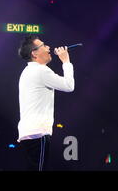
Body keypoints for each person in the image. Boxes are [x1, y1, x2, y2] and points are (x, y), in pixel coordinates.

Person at [17, 35, 75, 171]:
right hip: (38, 133)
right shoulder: (40, 70)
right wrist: (66, 61)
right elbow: (69, 86)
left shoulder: (27, 71)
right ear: (34, 53)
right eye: (43, 45)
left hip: (28, 133)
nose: (48, 47)